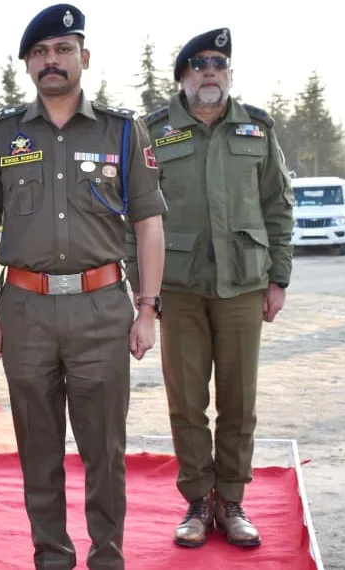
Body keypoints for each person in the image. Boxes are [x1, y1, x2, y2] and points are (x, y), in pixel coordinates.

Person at [0, 4, 167, 568]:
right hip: (25, 311)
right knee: (38, 448)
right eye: (40, 52)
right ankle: (51, 556)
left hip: (102, 310)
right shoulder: (2, 135)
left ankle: (108, 557)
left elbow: (149, 223)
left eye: (62, 49)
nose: (51, 61)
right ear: (28, 64)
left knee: (105, 449)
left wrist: (146, 308)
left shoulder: (123, 131)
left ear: (84, 57)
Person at [126, 27, 294, 549]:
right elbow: (135, 214)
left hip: (244, 284)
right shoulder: (153, 131)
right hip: (176, 288)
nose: (209, 71)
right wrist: (143, 293)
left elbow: (278, 207)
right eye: (198, 64)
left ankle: (233, 501)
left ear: (228, 73)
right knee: (186, 400)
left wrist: (279, 277)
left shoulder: (257, 130)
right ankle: (199, 502)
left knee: (240, 400)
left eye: (218, 63)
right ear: (182, 76)